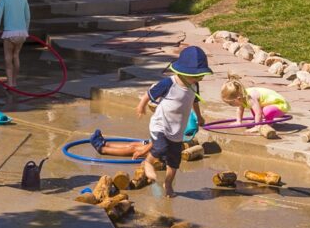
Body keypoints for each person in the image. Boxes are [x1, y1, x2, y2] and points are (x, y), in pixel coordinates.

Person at [88, 46, 212, 198]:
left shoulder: (193, 86)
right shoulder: (169, 83)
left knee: (144, 150)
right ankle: (108, 149)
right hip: (161, 128)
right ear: (184, 72)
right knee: (145, 148)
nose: (200, 79)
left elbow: (194, 102)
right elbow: (149, 94)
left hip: (175, 133)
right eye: (197, 76)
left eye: (201, 76)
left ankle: (103, 147)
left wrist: (199, 117)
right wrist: (141, 106)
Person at [217, 76, 289, 134]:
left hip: (281, 105)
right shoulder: (242, 96)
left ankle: (268, 123)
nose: (230, 105)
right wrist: (238, 121)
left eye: (231, 103)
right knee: (255, 107)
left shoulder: (250, 97)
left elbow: (258, 113)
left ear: (238, 99)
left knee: (263, 110)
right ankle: (259, 122)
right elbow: (240, 109)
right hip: (271, 106)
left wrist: (257, 126)